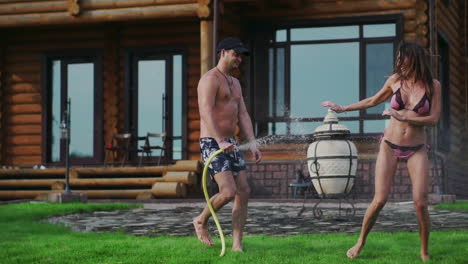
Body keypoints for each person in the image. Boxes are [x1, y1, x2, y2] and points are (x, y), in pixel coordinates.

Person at [322, 41, 441, 261]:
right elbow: (372, 100)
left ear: (413, 59)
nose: (399, 63)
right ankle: (360, 242)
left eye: (402, 59)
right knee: (380, 199)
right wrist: (342, 108)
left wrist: (403, 116)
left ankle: (424, 251)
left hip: (417, 148)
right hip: (389, 145)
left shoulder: (433, 85)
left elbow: (434, 119)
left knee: (420, 202)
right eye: (398, 59)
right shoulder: (395, 81)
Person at [194, 37, 262, 252]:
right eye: (236, 54)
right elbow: (205, 111)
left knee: (244, 190)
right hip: (212, 142)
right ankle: (201, 220)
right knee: (228, 191)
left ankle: (237, 245)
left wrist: (252, 142)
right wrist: (220, 140)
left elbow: (243, 114)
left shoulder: (235, 83)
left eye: (241, 55)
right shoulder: (210, 79)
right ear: (223, 52)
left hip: (230, 142)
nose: (239, 59)